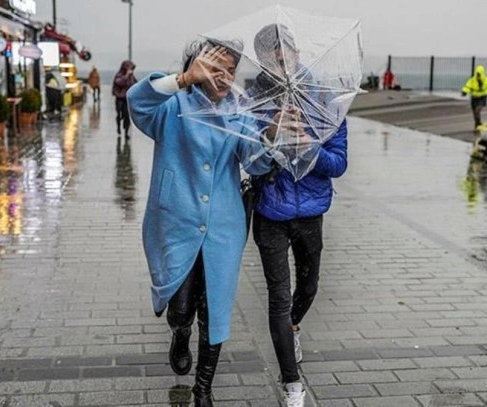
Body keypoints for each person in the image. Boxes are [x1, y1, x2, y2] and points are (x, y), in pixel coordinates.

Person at [127, 41, 273, 406]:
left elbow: (255, 164)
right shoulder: (173, 107)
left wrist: (270, 138)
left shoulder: (240, 112)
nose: (224, 77)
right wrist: (182, 79)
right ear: (197, 67)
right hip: (175, 220)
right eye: (216, 68)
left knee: (216, 310)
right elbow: (137, 102)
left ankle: (203, 389)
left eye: (230, 71)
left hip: (223, 226)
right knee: (181, 306)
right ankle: (179, 331)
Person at [249, 23, 349, 407]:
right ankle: (292, 384)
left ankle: (293, 327)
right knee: (278, 297)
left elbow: (338, 164)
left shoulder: (323, 98)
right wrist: (271, 136)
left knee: (308, 288)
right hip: (270, 210)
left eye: (284, 50)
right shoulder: (253, 98)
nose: (279, 57)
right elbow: (248, 161)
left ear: (295, 53)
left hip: (311, 211)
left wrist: (308, 148)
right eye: (270, 52)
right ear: (262, 59)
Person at [462, 65, 487, 131]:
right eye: (477, 74)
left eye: (479, 74)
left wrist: (481, 83)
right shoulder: (472, 80)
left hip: (482, 97)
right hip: (474, 97)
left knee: (477, 110)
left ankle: (478, 123)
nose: (478, 76)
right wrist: (464, 91)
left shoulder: (485, 79)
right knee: (475, 112)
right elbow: (467, 86)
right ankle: (477, 124)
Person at [113, 60, 137, 137]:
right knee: (119, 114)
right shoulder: (119, 75)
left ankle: (126, 132)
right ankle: (118, 126)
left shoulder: (132, 77)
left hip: (127, 99)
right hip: (119, 98)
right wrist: (126, 75)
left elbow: (136, 84)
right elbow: (119, 82)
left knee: (127, 115)